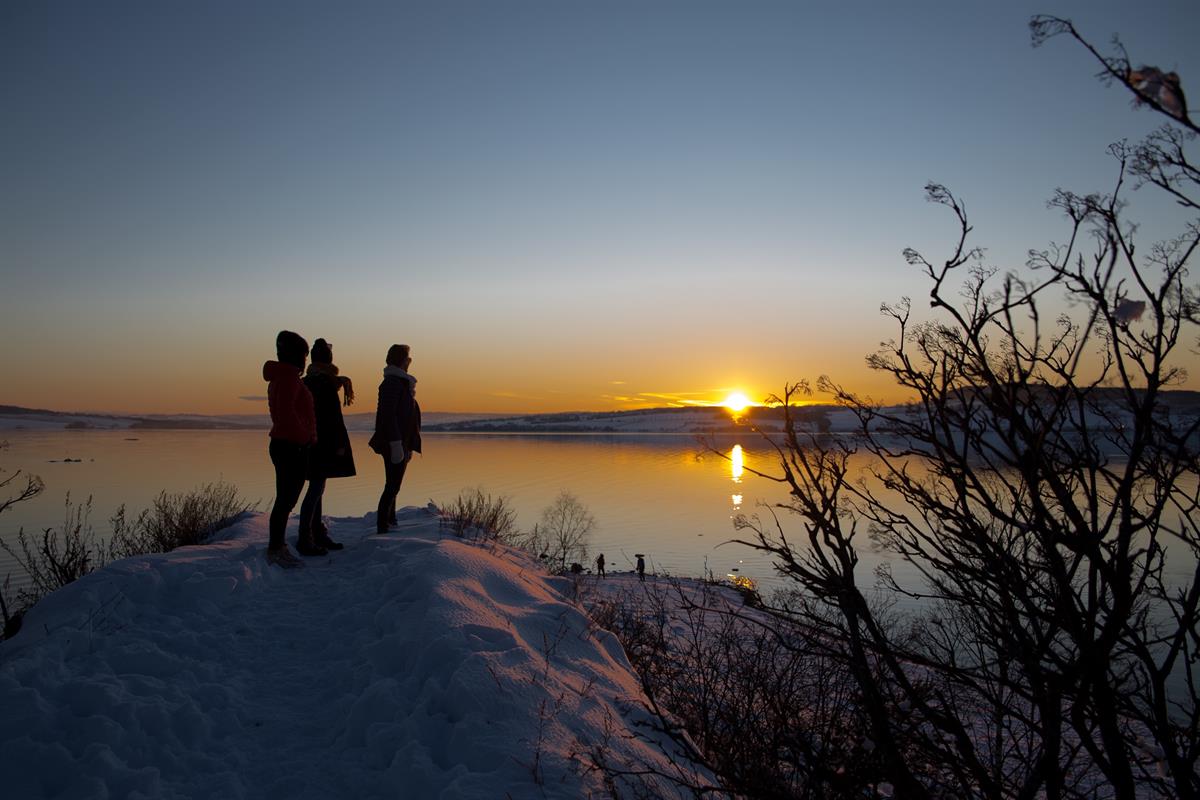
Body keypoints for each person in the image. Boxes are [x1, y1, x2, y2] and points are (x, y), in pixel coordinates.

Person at [263, 331, 316, 568]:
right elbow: (286, 414)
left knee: (286, 499)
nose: (306, 360)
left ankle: (279, 546)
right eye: (304, 354)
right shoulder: (288, 379)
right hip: (291, 445)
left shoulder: (286, 377)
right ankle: (276, 548)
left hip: (288, 444)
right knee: (286, 499)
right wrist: (304, 437)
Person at [298, 338, 356, 552]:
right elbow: (332, 417)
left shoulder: (309, 381)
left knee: (317, 486)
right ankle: (306, 538)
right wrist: (339, 443)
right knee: (316, 488)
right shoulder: (326, 383)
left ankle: (315, 533)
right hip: (322, 441)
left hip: (309, 441)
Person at [370, 343, 421, 534]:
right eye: (408, 358)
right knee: (392, 485)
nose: (410, 361)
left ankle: (390, 520)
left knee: (394, 484)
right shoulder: (392, 383)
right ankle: (383, 525)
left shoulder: (401, 383)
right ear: (402, 360)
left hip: (402, 441)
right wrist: (396, 443)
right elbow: (387, 414)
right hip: (394, 442)